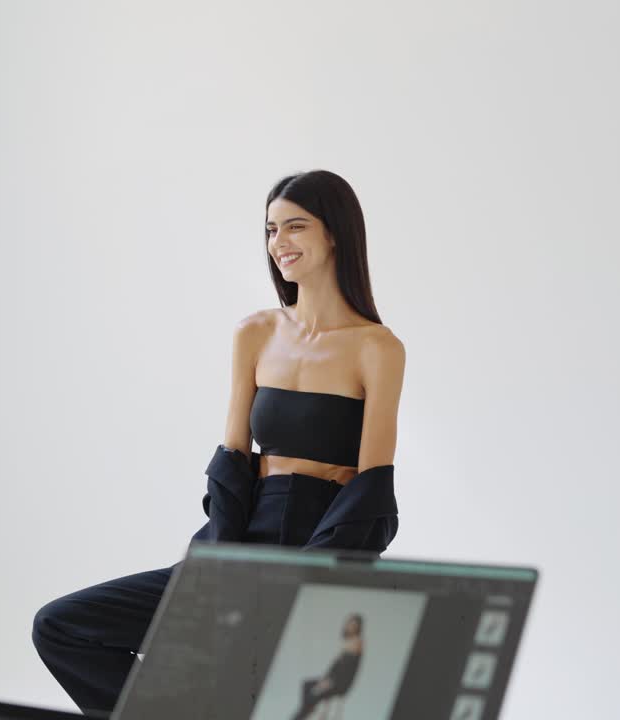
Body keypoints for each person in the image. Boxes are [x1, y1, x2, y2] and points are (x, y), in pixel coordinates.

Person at [31, 169, 406, 717]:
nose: (279, 242)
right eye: (271, 230)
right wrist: (219, 563)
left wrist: (305, 582)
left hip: (322, 545)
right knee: (61, 626)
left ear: (334, 233)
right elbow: (232, 460)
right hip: (240, 539)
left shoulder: (378, 348)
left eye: (295, 226)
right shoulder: (256, 333)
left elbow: (370, 488)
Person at [291, 613, 365, 720]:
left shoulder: (356, 642)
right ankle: (307, 709)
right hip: (333, 679)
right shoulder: (348, 641)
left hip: (340, 682)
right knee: (306, 685)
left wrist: (328, 682)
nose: (350, 627)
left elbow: (345, 669)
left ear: (358, 628)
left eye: (354, 625)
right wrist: (325, 679)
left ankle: (303, 712)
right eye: (349, 624)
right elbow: (335, 665)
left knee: (312, 696)